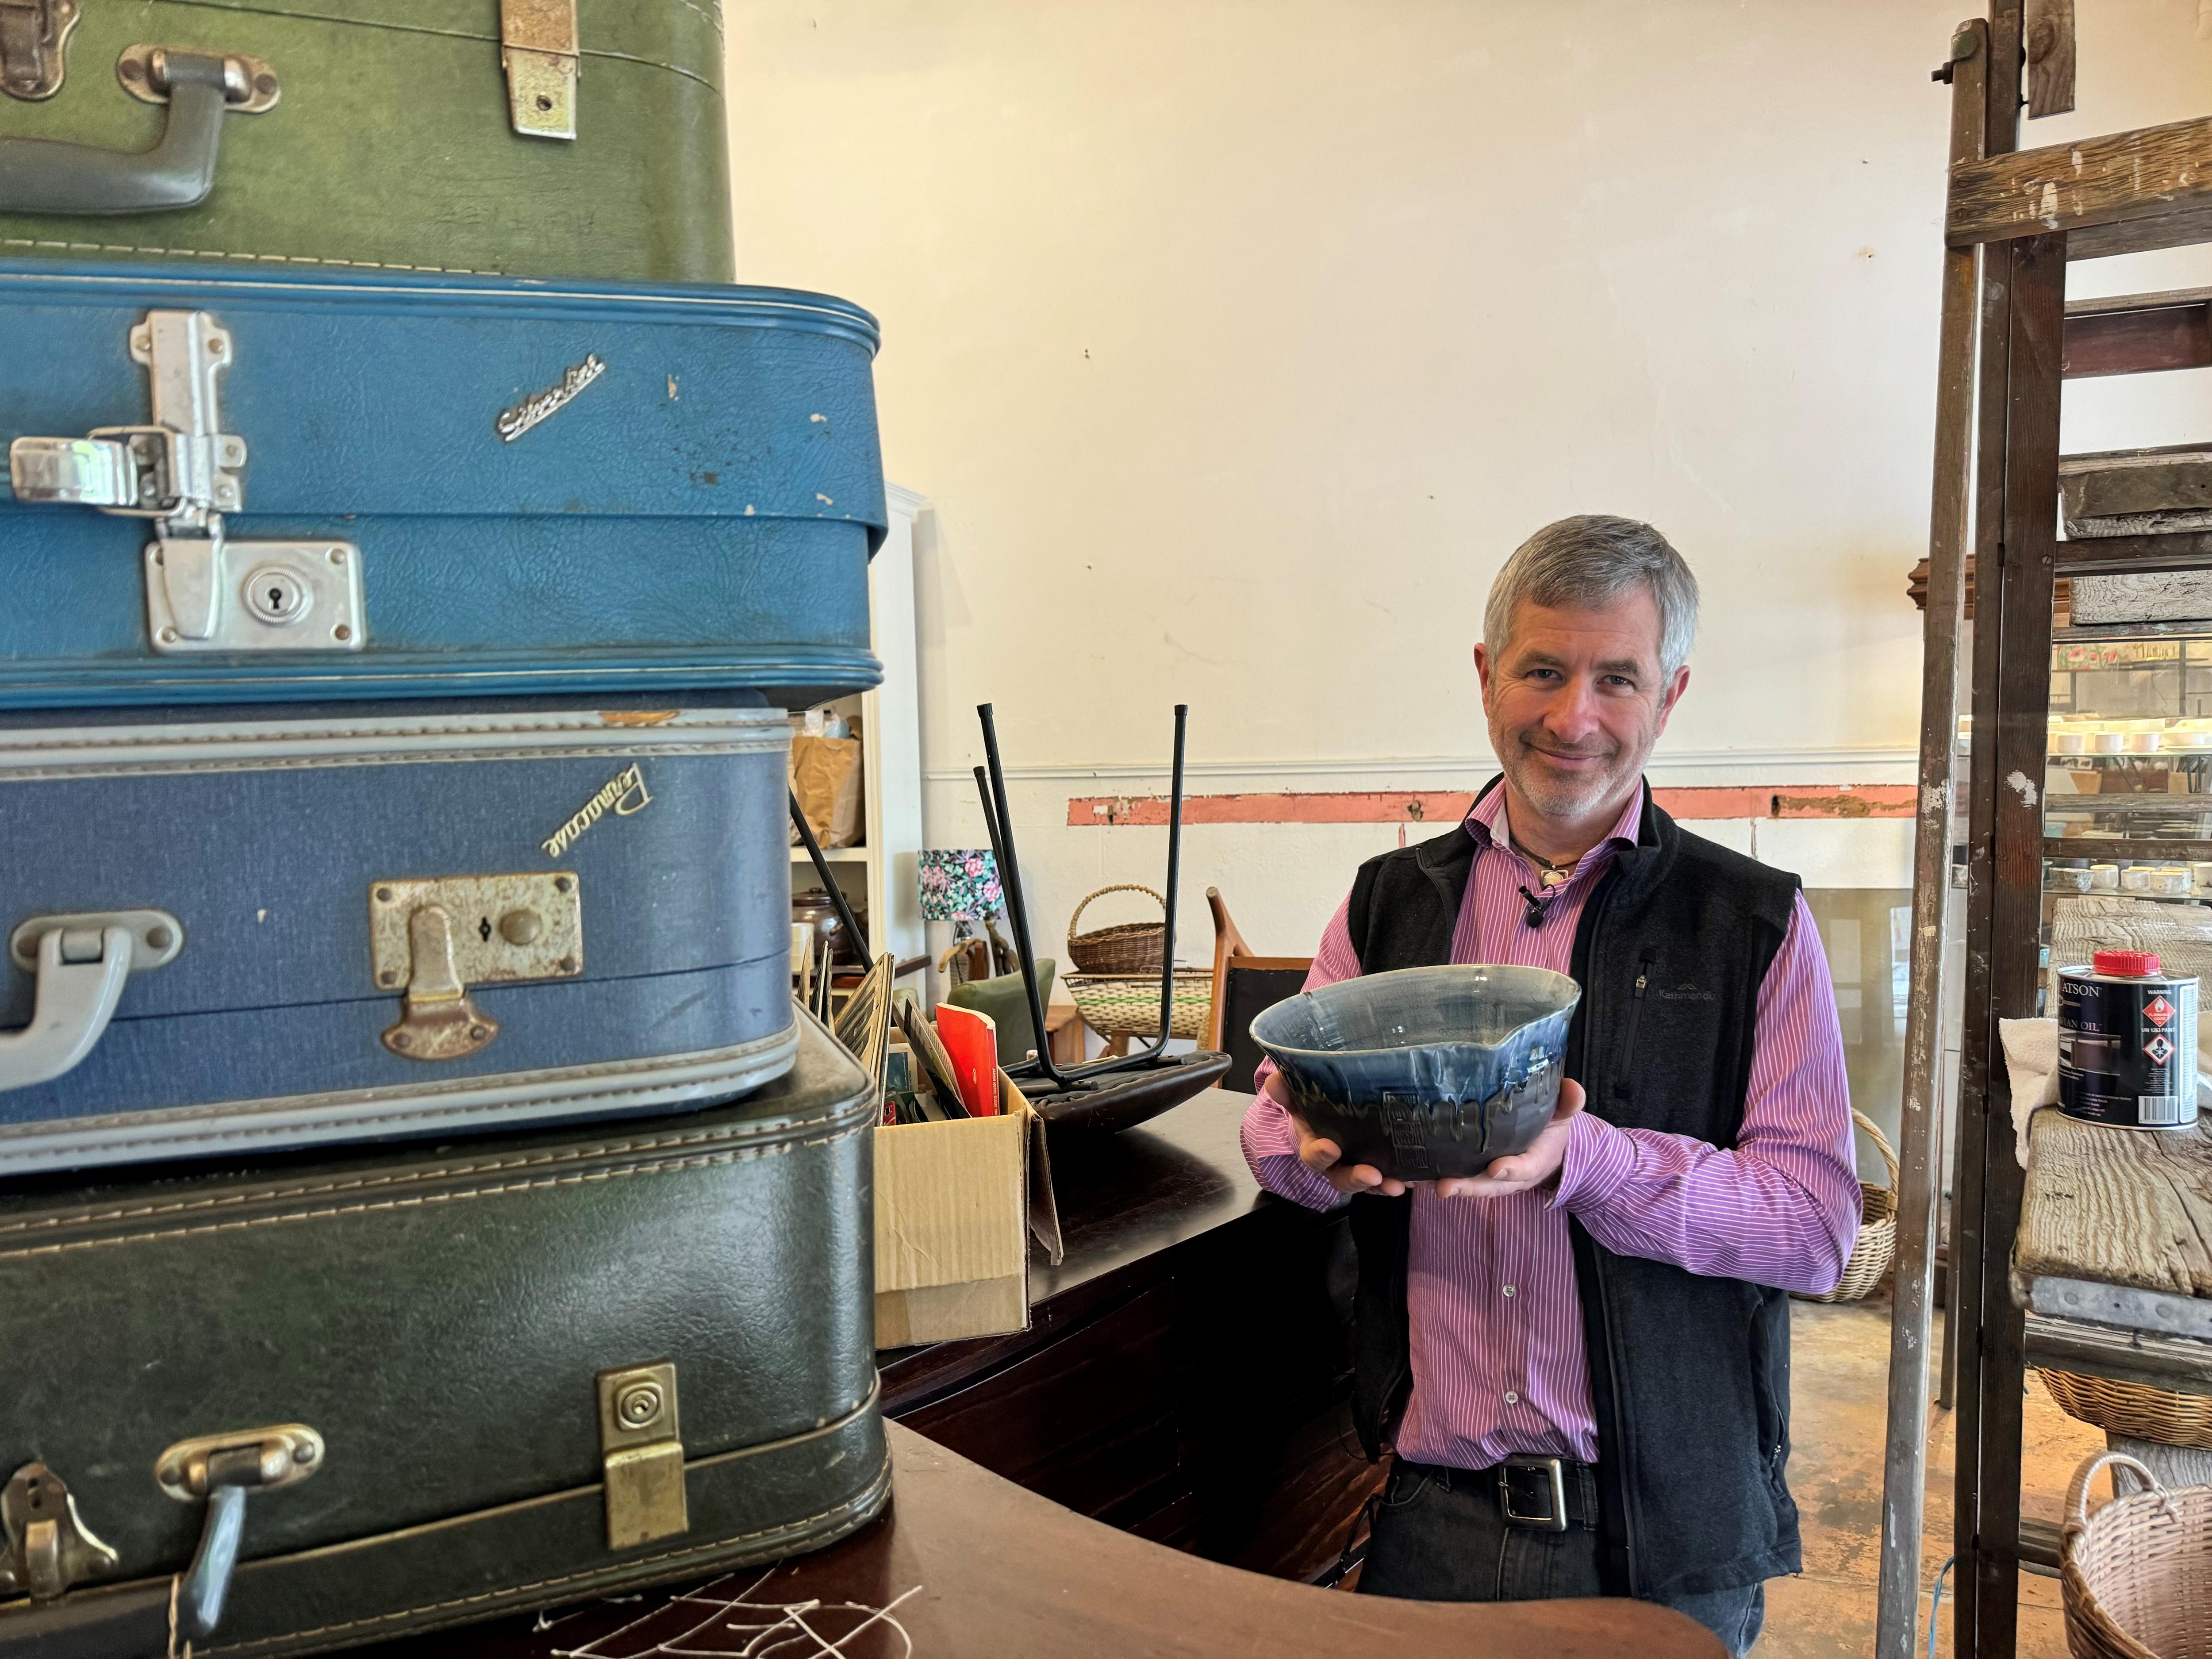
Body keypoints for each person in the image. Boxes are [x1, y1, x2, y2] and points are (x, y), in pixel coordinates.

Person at [1241, 515, 1861, 1657]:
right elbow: (1276, 1127)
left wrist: (1588, 1160)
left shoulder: (1753, 924)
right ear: (1487, 677)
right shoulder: (1387, 905)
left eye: (1616, 678)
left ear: (1670, 695)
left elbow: (1816, 1229)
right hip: (1431, 1516)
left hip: (1661, 1536)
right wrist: (1317, 1156)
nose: (1574, 718)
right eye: (1542, 671)